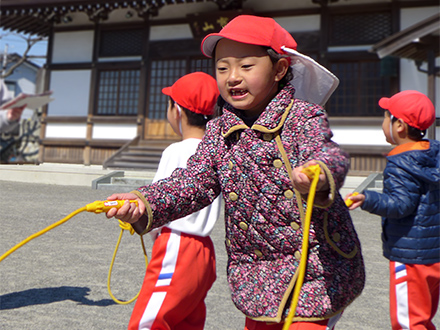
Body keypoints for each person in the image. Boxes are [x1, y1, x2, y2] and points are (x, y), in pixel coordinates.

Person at [107, 15, 365, 330]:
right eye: (222, 67)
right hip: (256, 270)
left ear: (280, 69)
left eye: (246, 66)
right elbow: (192, 183)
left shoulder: (302, 116)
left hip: (313, 266)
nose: (232, 77)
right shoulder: (218, 132)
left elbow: (327, 152)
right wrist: (143, 202)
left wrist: (319, 174)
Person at [125, 72, 221, 330]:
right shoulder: (215, 151)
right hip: (204, 249)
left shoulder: (176, 150)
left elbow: (158, 199)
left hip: (177, 244)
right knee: (187, 320)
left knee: (150, 321)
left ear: (176, 110)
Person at [346, 90, 440, 330]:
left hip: (410, 254)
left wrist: (368, 199)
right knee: (424, 315)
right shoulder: (434, 155)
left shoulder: (401, 164)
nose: (383, 123)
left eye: (385, 117)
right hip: (434, 252)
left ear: (399, 125)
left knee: (408, 321)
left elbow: (400, 205)